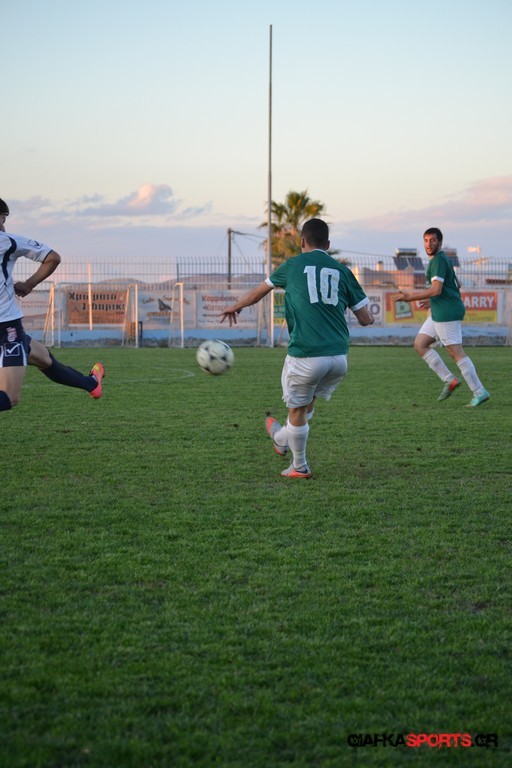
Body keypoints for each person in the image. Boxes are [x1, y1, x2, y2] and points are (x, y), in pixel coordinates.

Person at [220, 218, 374, 479]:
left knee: (297, 409)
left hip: (306, 355)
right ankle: (281, 437)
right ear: (328, 244)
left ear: (302, 241)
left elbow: (259, 292)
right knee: (307, 403)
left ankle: (299, 465)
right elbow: (366, 319)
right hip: (339, 359)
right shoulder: (343, 271)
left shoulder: (292, 266)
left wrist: (235, 306)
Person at [0, 198, 104, 412]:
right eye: (2, 220)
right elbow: (53, 258)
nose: (3, 227)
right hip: (6, 327)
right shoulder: (7, 241)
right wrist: (29, 284)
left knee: (44, 358)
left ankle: (91, 384)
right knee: (10, 396)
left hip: (9, 329)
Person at [393, 227, 489, 407]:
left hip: (447, 312)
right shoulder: (441, 260)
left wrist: (410, 297)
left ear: (440, 242)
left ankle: (479, 392)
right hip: (440, 310)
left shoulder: (438, 260)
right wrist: (432, 300)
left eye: (433, 240)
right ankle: (450, 380)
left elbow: (436, 289)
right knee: (420, 344)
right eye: (426, 240)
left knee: (455, 352)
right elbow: (456, 284)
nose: (429, 244)